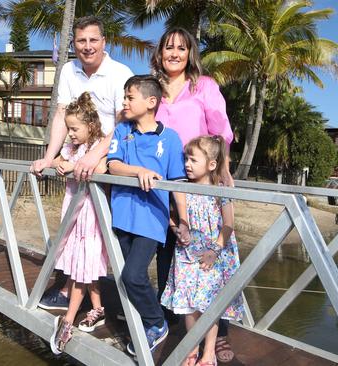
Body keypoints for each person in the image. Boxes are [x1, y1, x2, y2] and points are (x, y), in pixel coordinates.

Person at [31, 16, 133, 311]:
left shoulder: (119, 73)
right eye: (81, 41)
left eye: (93, 40)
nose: (87, 47)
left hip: (109, 154)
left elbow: (122, 122)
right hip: (78, 155)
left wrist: (97, 155)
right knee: (74, 222)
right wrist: (51, 157)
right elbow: (62, 116)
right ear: (74, 43)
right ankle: (71, 288)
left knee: (102, 230)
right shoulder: (68, 70)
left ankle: (122, 304)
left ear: (104, 42)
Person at [151, 27, 236, 363]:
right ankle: (180, 328)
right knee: (168, 252)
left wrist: (223, 170)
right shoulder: (152, 89)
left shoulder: (205, 86)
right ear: (160, 52)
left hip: (200, 185)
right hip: (162, 183)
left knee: (211, 261)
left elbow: (221, 132)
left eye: (181, 48)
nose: (174, 53)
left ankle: (221, 333)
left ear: (190, 54)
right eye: (168, 47)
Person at [107, 75, 189, 355]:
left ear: (151, 102)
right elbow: (114, 166)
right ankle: (146, 318)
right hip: (121, 216)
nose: (125, 102)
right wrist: (138, 171)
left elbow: (177, 183)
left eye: (130, 97)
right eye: (125, 97)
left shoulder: (171, 138)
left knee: (132, 275)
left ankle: (157, 323)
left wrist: (184, 220)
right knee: (129, 275)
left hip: (151, 220)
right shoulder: (122, 131)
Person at [161, 136, 244, 366]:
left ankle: (208, 352)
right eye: (186, 159)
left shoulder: (221, 190)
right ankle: (191, 347)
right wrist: (177, 229)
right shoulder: (182, 188)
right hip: (188, 254)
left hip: (213, 255)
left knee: (210, 304)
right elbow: (174, 217)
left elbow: (228, 225)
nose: (187, 164)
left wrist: (215, 251)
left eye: (193, 160)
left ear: (211, 164)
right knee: (189, 304)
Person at [49, 92, 109, 354]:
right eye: (69, 128)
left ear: (91, 127)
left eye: (75, 129)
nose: (70, 134)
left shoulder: (97, 149)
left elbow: (102, 168)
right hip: (74, 213)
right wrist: (59, 163)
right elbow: (59, 160)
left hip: (90, 215)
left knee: (83, 266)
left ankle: (68, 319)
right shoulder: (72, 148)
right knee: (82, 263)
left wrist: (74, 167)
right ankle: (98, 309)